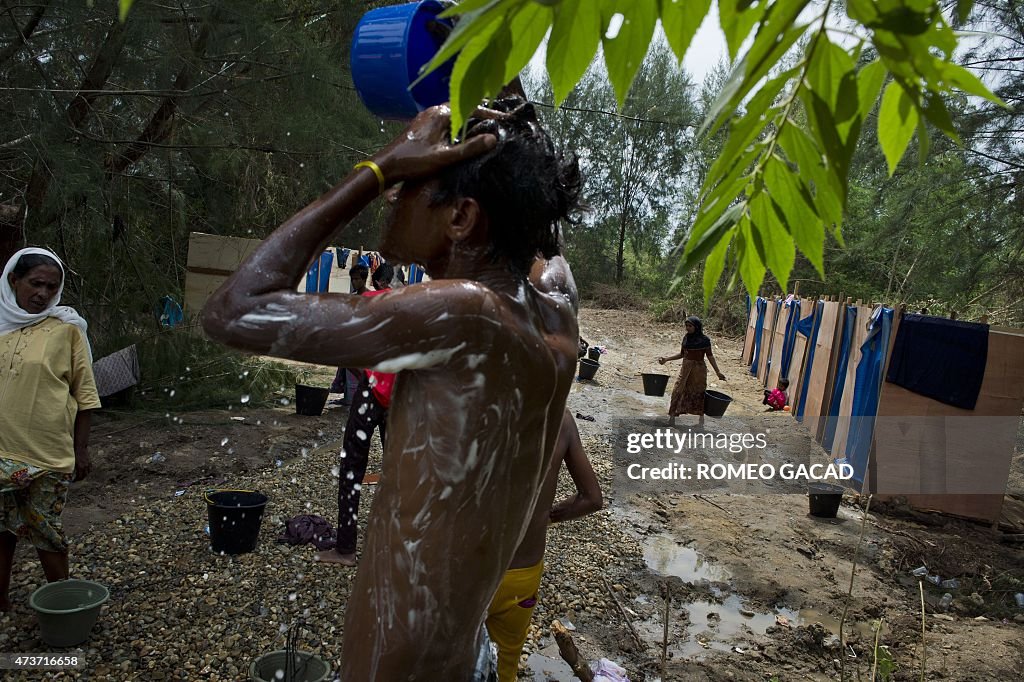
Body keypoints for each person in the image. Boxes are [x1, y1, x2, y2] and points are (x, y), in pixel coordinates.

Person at [201, 98, 582, 680]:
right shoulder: (557, 320)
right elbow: (536, 210)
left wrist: (378, 167)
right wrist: (504, 110)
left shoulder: (465, 314)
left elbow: (232, 311)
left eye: (409, 185)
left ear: (460, 218)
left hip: (397, 660)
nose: (392, 196)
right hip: (459, 650)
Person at [0, 248, 101, 611]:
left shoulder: (67, 330)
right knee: (1, 530)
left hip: (47, 452)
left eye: (51, 287)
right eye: (35, 284)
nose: (42, 293)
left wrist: (82, 449)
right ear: (14, 280)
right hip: (1, 449)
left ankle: (64, 605)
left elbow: (85, 393)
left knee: (47, 531)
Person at [486, 409, 602, 682]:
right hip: (522, 576)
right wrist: (552, 513)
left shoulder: (475, 407)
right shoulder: (560, 419)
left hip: (470, 573)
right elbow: (592, 499)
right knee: (505, 664)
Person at [315, 262, 397, 566]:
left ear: (374, 279)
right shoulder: (406, 307)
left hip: (369, 392)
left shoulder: (364, 304)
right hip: (398, 396)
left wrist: (365, 376)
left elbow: (343, 349)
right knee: (396, 469)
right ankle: (392, 544)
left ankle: (346, 548)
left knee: (352, 467)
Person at [658, 315, 726, 427]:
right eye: (686, 326)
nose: (687, 328)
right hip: (685, 369)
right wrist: (667, 359)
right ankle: (671, 418)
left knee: (699, 392)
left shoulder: (705, 340)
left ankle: (701, 421)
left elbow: (710, 356)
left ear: (697, 327)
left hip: (698, 371)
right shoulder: (686, 338)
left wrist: (718, 372)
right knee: (677, 390)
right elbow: (682, 354)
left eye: (690, 326)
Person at [329, 263, 373, 401]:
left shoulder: (370, 298)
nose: (354, 282)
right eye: (352, 279)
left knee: (359, 373)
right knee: (349, 373)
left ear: (364, 279)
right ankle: (350, 398)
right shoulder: (351, 298)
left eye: (357, 279)